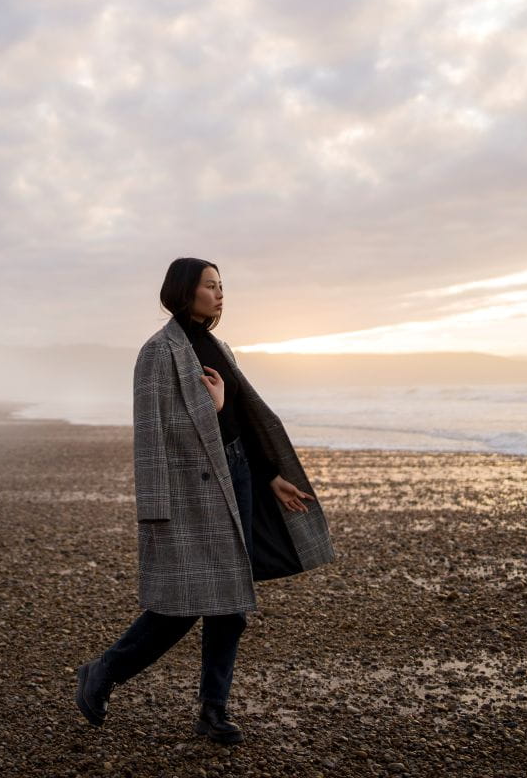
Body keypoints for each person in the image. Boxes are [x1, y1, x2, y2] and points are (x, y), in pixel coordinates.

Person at [74, 257, 335, 745]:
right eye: (210, 286)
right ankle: (104, 671)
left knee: (230, 606)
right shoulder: (158, 352)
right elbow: (151, 434)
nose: (220, 294)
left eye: (221, 286)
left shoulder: (219, 346)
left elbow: (239, 418)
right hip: (189, 490)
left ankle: (213, 710)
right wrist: (155, 509)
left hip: (236, 474)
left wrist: (269, 476)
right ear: (184, 291)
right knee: (181, 604)